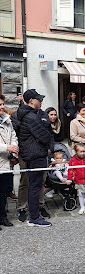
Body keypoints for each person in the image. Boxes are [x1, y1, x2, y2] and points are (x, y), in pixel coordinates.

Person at [16, 89, 53, 227]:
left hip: (34, 153)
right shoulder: (31, 117)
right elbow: (46, 135)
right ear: (31, 101)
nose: (41, 101)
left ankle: (34, 216)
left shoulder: (30, 114)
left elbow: (44, 133)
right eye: (38, 99)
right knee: (35, 186)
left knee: (35, 186)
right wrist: (43, 133)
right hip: (35, 154)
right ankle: (34, 217)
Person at [0, 94, 19, 228]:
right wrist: (7, 147)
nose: (2, 107)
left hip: (5, 162)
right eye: (0, 105)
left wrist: (13, 148)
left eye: (2, 104)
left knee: (3, 192)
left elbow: (13, 135)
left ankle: (2, 216)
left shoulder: (6, 119)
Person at [66, 143, 85, 215]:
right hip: (78, 180)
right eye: (80, 151)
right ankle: (82, 207)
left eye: (84, 151)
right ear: (76, 152)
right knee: (80, 194)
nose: (82, 153)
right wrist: (69, 179)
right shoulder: (73, 160)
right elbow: (70, 170)